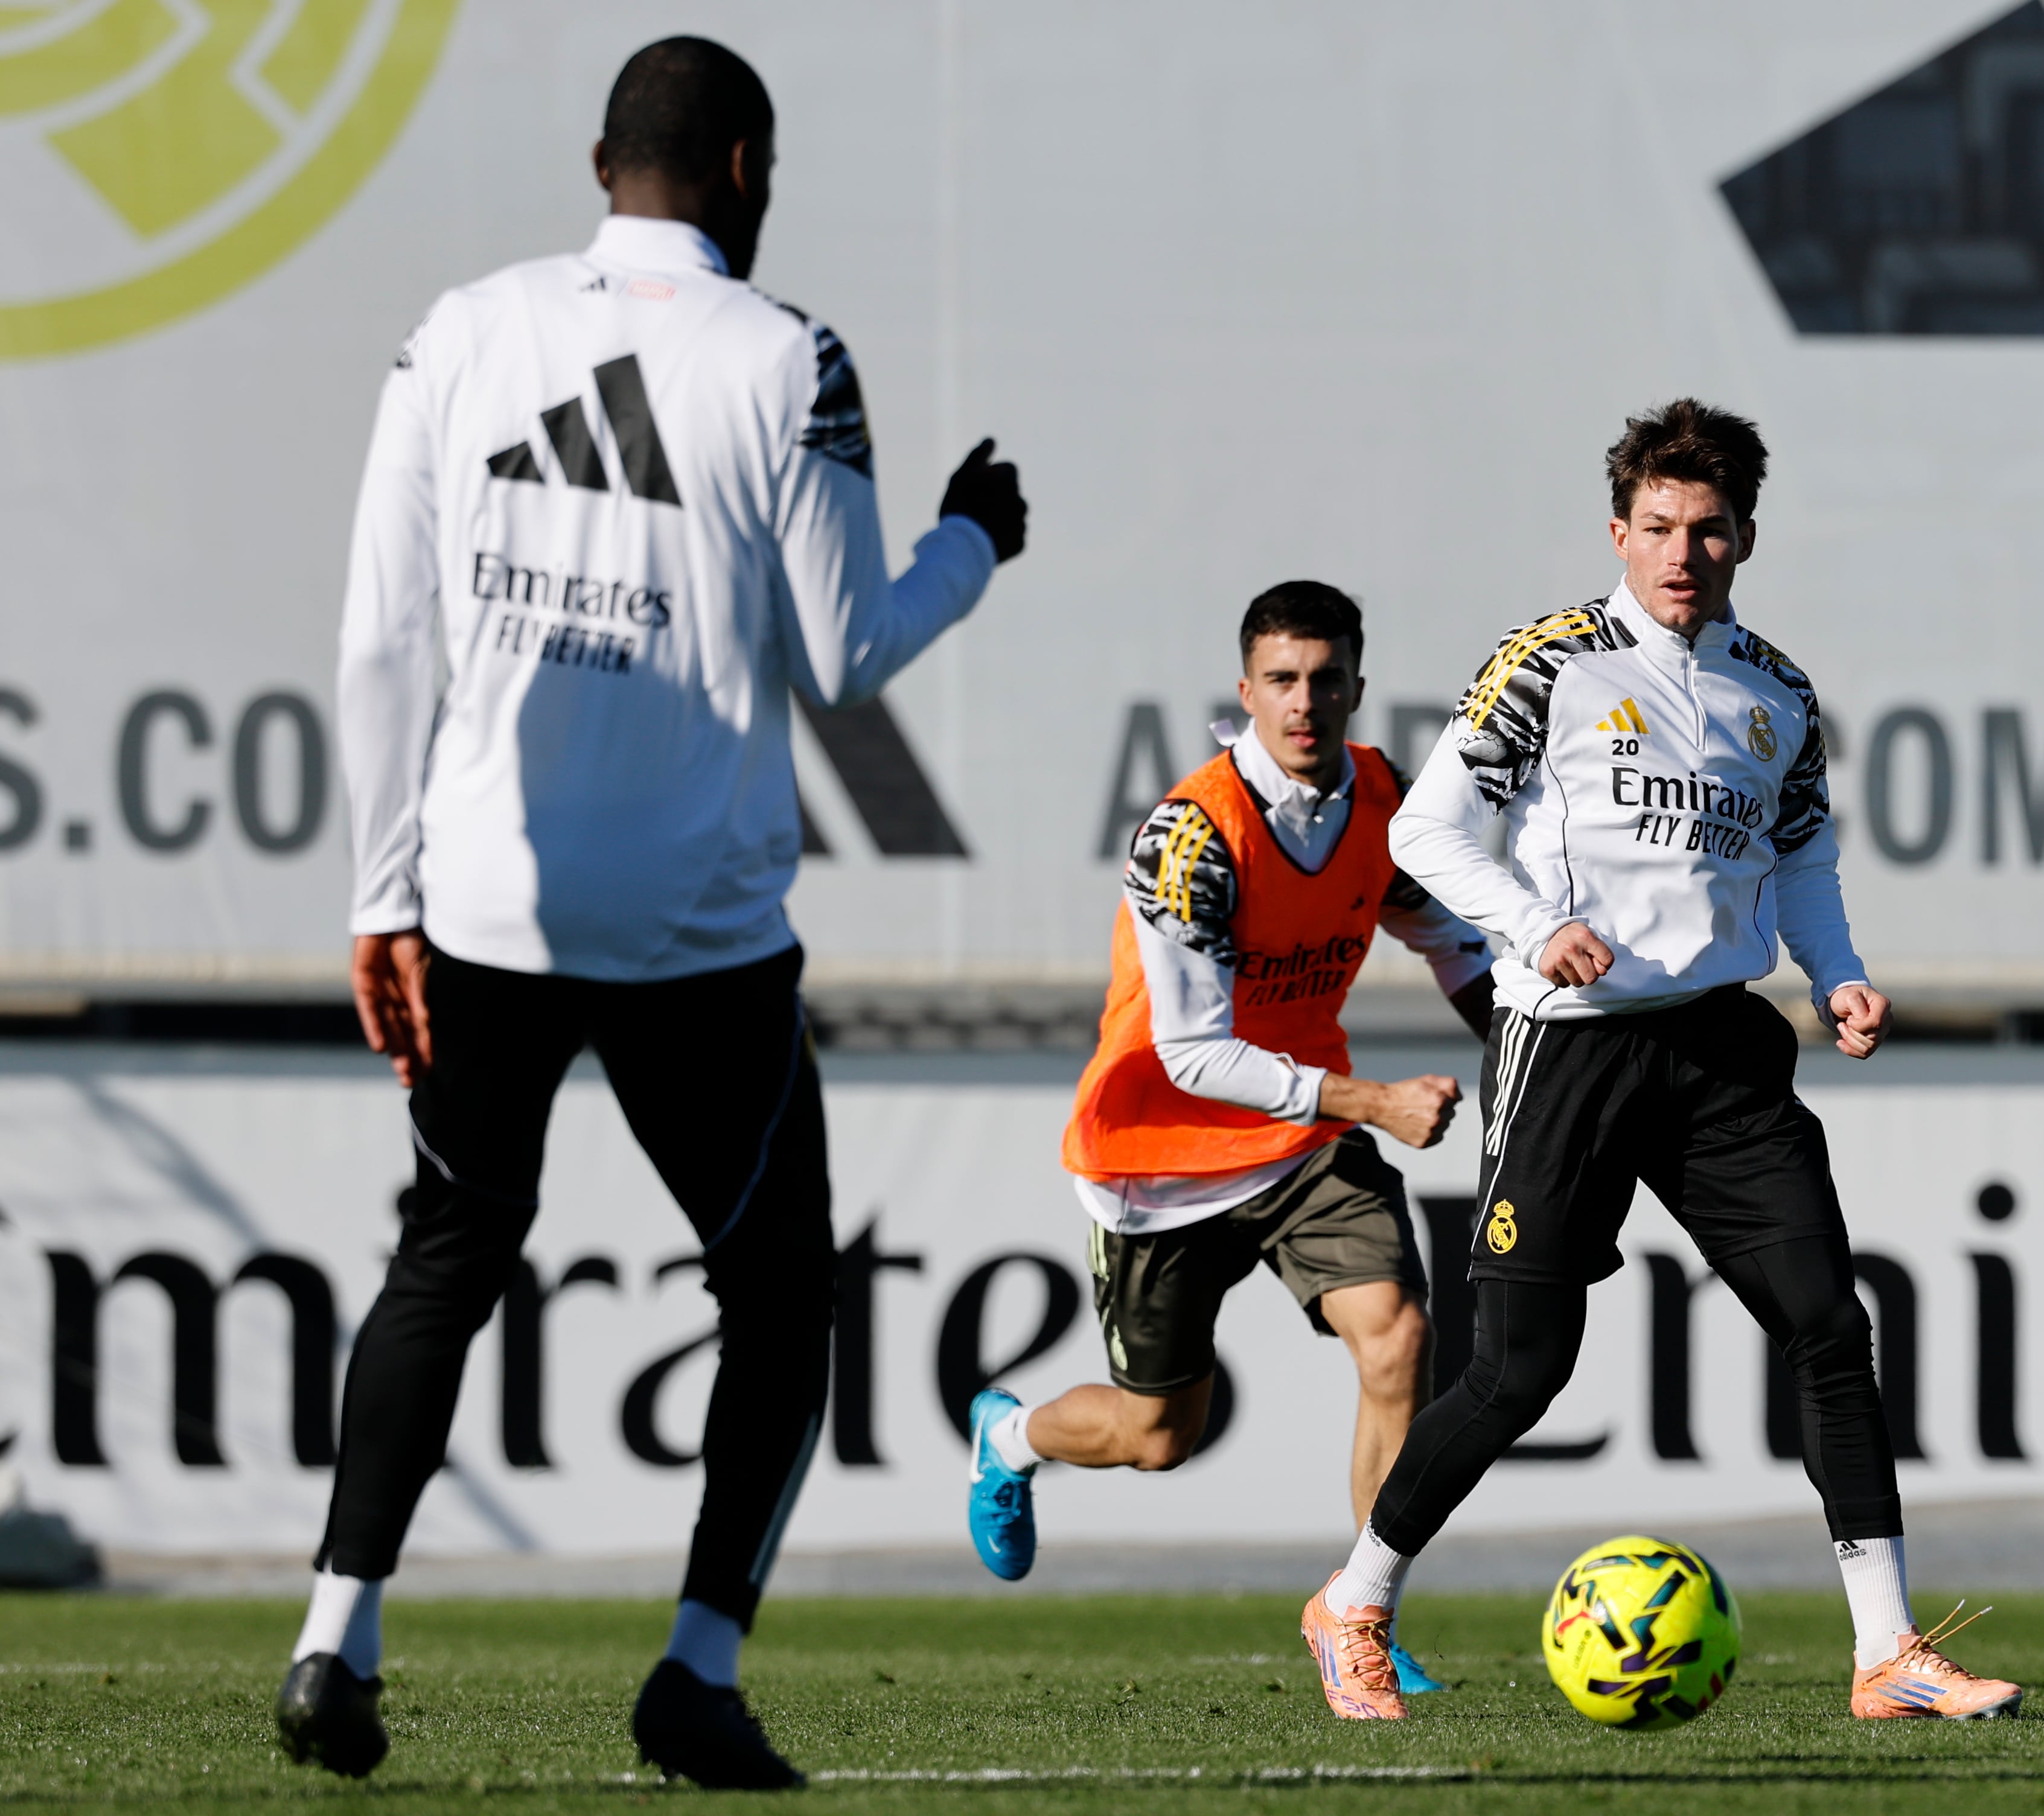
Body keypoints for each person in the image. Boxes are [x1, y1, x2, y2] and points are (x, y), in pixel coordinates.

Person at [281, 37, 1027, 1790]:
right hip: (697, 931)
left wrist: (377, 889)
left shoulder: (463, 326)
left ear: (600, 158)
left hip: (483, 903)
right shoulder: (788, 357)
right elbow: (844, 655)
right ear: (749, 167)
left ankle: (337, 1633)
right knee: (777, 1296)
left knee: (445, 1259)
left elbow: (381, 632)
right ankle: (694, 1668)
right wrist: (972, 545)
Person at [1297, 400, 2022, 1723]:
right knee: (1516, 1372)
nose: (1681, 552)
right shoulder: (1554, 660)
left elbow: (1801, 855)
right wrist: (1535, 926)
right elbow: (1427, 833)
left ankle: (1887, 1652)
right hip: (1572, 1049)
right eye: (1657, 528)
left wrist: (1835, 969)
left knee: (1827, 1324)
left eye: (1708, 529)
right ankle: (1354, 1602)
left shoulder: (1776, 691)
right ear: (1618, 532)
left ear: (1745, 535)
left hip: (1721, 1052)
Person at [965, 582, 1491, 1696]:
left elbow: (1445, 939)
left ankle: (1363, 1609)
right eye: (1283, 681)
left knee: (1397, 1339)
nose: (1305, 703)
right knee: (1159, 1437)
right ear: (1245, 689)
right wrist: (1374, 1102)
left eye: (1327, 680)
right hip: (1159, 1156)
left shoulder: (1378, 799)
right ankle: (1009, 1439)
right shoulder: (1190, 834)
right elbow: (1195, 1054)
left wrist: (1523, 1044)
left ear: (1356, 686)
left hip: (1299, 1147)